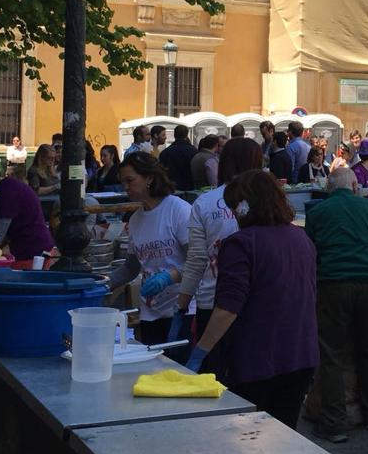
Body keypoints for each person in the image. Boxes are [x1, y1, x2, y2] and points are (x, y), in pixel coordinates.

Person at [184, 170, 318, 429]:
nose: (233, 213)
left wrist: (201, 350)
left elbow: (227, 308)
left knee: (248, 440)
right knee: (286, 435)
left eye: (234, 206)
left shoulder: (241, 244)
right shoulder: (301, 238)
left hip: (256, 360)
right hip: (301, 355)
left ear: (244, 206)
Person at [305, 168, 368, 441]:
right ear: (356, 186)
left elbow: (312, 254)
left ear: (329, 189)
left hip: (332, 286)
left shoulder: (318, 213)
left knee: (332, 353)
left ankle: (334, 424)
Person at [169, 138, 265, 352]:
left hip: (212, 301)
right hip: (259, 301)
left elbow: (196, 260)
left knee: (213, 375)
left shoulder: (205, 202)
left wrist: (182, 305)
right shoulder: (268, 202)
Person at [120, 153, 193, 347]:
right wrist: (104, 284)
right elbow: (130, 267)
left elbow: (197, 261)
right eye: (122, 182)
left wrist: (169, 277)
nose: (125, 187)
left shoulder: (178, 210)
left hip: (180, 310)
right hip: (151, 312)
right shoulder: (135, 220)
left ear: (149, 178)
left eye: (130, 180)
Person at [159, 123, 197, 191]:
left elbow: (161, 171)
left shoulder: (166, 152)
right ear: (186, 135)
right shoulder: (194, 151)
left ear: (174, 135)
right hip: (190, 187)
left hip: (172, 187)